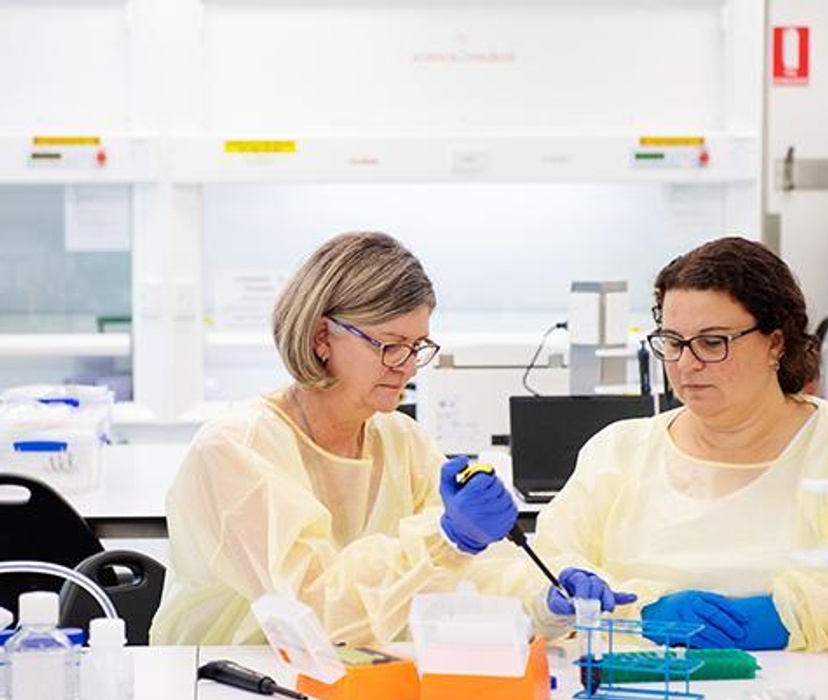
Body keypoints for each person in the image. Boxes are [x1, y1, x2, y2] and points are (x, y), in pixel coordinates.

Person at [150, 231, 552, 646]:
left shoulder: (402, 442)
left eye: (418, 346)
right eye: (392, 346)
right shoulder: (236, 448)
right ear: (322, 338)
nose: (408, 367)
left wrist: (545, 596)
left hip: (359, 680)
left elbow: (469, 576)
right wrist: (444, 539)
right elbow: (312, 612)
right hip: (234, 683)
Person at [529, 236, 828, 651]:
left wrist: (794, 618)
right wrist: (643, 612)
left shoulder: (820, 449)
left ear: (775, 343)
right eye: (673, 342)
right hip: (634, 698)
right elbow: (541, 575)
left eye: (712, 342)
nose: (686, 365)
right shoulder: (619, 453)